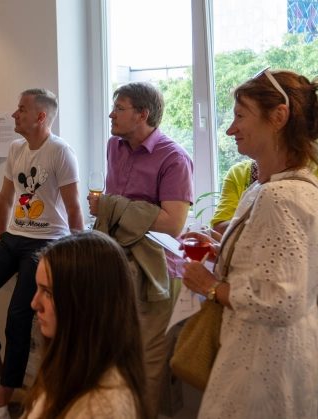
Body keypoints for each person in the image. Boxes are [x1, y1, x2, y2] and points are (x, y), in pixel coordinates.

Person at [180, 69, 318, 419]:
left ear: (278, 117)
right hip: (272, 352)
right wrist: (220, 250)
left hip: (264, 360)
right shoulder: (275, 187)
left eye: (240, 116)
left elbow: (282, 299)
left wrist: (210, 286)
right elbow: (274, 262)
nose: (230, 129)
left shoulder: (281, 197)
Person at [0, 89, 83, 419]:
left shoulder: (60, 152)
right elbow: (5, 198)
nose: (14, 114)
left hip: (47, 243)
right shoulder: (16, 148)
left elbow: (74, 208)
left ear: (41, 117)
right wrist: (1, 237)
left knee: (17, 317)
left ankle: (3, 398)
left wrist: (78, 255)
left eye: (22, 109)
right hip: (13, 238)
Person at [86, 81, 193, 419]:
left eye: (119, 108)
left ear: (142, 115)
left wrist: (109, 206)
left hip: (157, 272)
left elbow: (172, 224)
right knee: (115, 357)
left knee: (148, 363)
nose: (111, 114)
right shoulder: (113, 146)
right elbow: (119, 208)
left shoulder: (175, 158)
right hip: (116, 263)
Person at [22, 231, 145, 419]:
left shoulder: (102, 408)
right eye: (38, 288)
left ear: (87, 303)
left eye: (48, 292)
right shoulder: (70, 365)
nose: (34, 304)